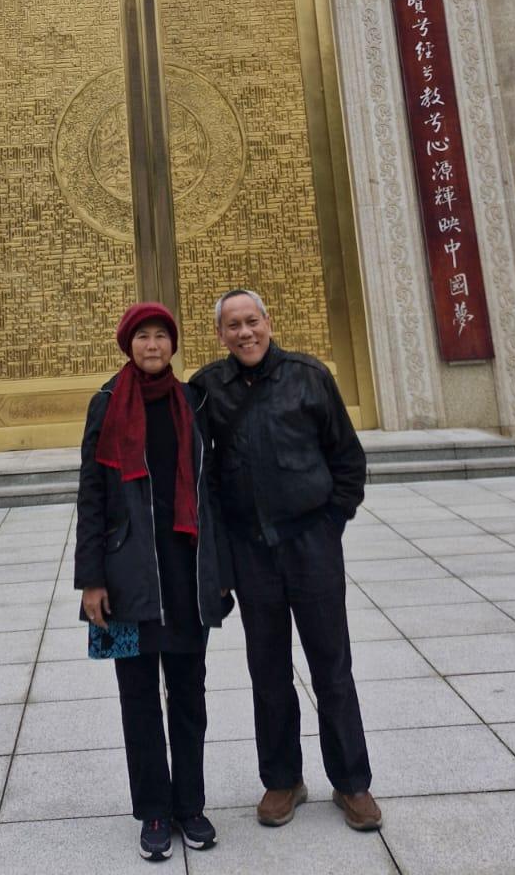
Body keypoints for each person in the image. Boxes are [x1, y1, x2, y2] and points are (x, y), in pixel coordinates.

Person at [191, 288, 381, 834]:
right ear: (220, 334)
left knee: (331, 665)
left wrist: (331, 522)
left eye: (252, 321)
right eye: (233, 325)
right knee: (267, 669)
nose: (245, 333)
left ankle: (352, 782)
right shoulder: (209, 388)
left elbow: (346, 457)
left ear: (269, 323)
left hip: (311, 544)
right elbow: (203, 475)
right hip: (252, 550)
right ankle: (282, 778)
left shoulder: (308, 376)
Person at [75, 301, 231, 862]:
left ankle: (190, 805)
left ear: (173, 345)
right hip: (126, 580)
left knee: (190, 695)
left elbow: (210, 494)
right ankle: (155, 812)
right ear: (127, 345)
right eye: (143, 337)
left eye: (162, 336)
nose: (152, 346)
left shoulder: (193, 402)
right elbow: (92, 495)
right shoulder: (105, 405)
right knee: (138, 699)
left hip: (187, 577)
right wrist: (90, 579)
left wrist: (219, 574)